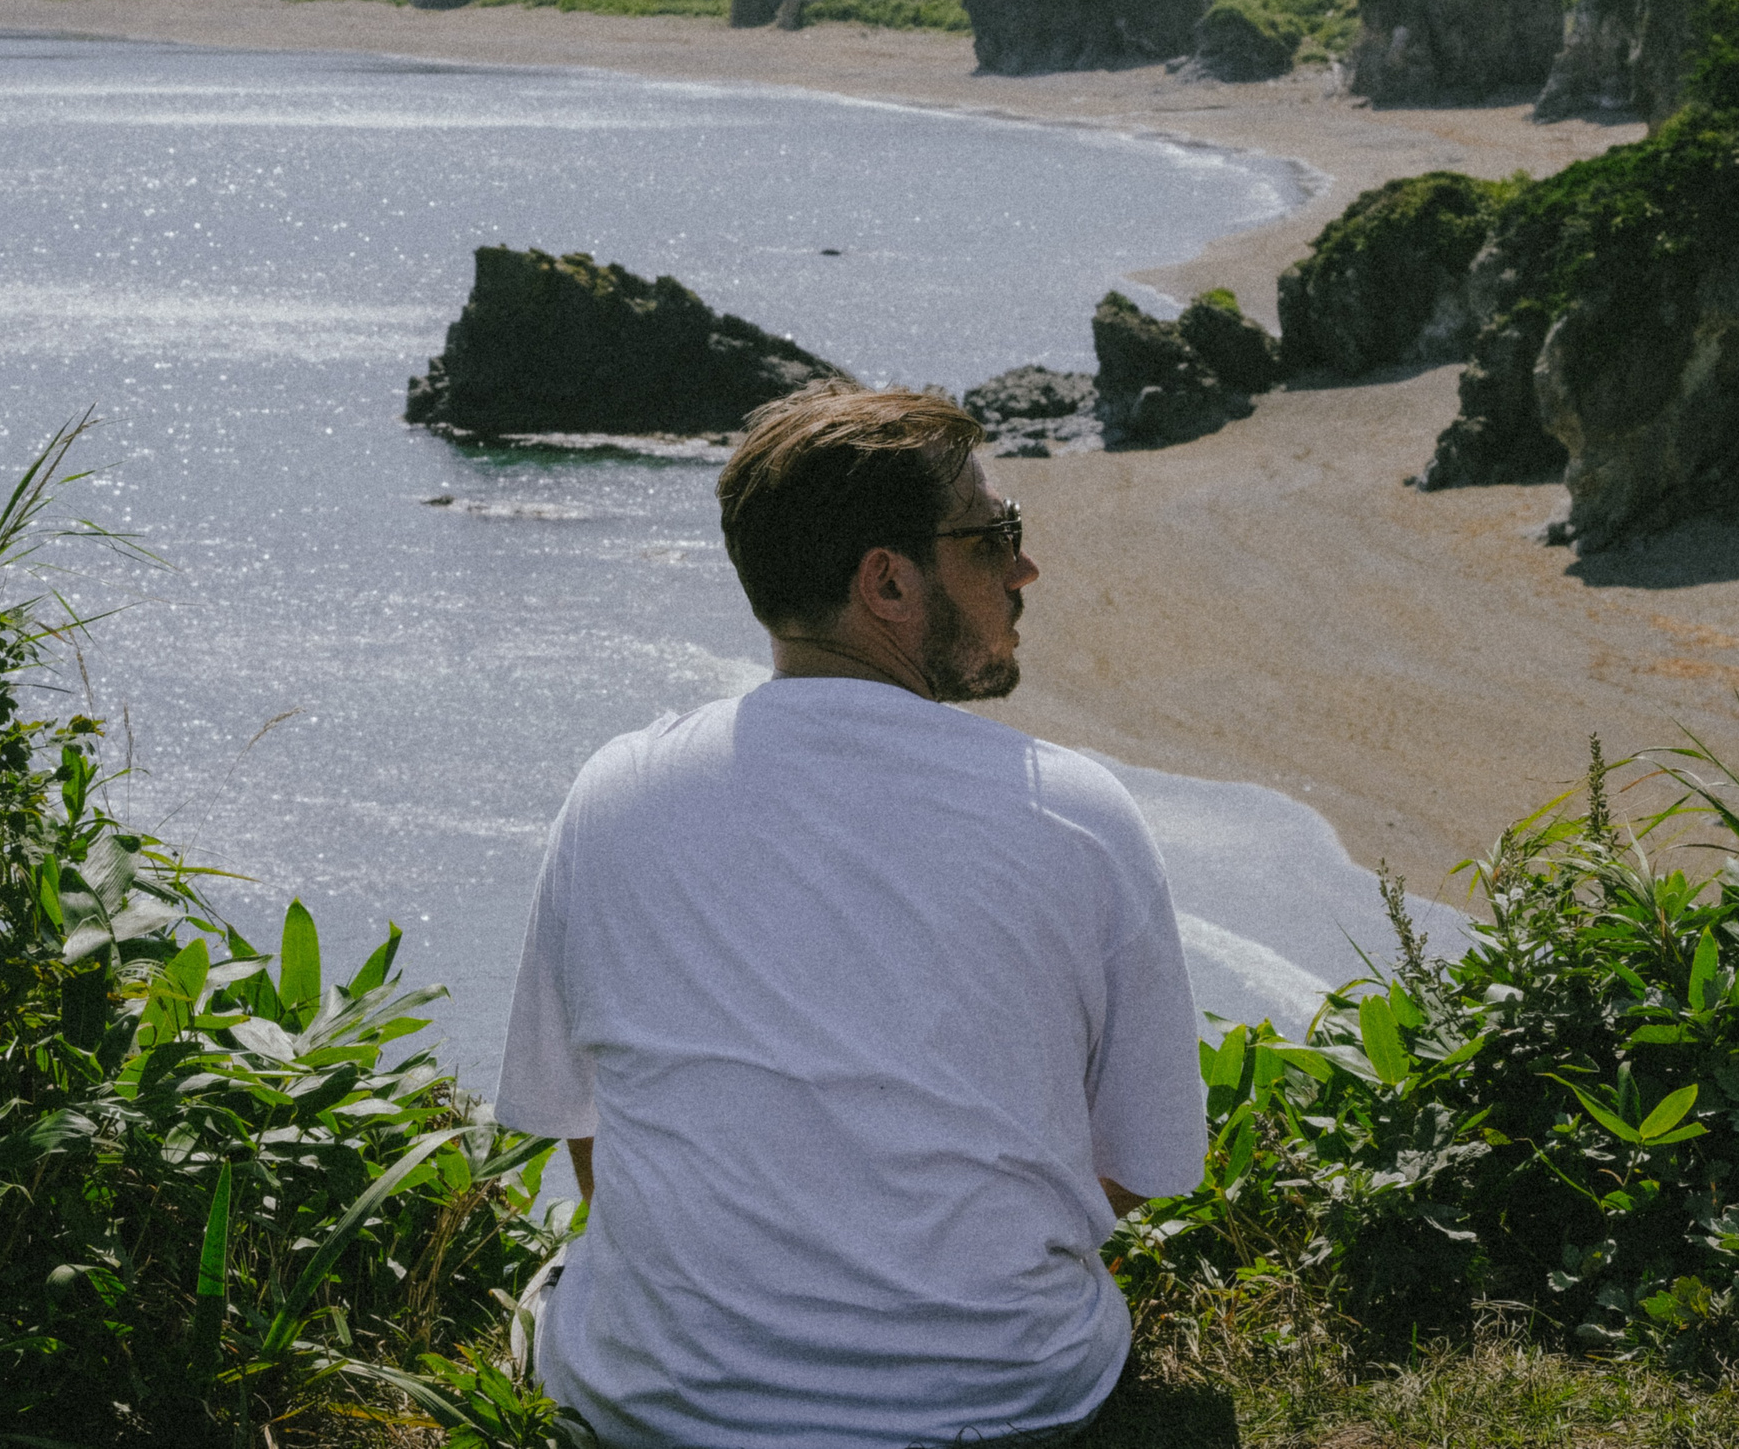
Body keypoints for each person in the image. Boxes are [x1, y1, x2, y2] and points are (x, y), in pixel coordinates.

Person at [494, 380, 1206, 1449]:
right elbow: (1140, 1167)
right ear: (885, 581)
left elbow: (583, 1127)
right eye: (992, 536)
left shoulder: (616, 790)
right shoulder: (1073, 812)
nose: (1023, 567)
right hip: (1007, 1403)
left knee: (555, 1290)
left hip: (665, 1410)